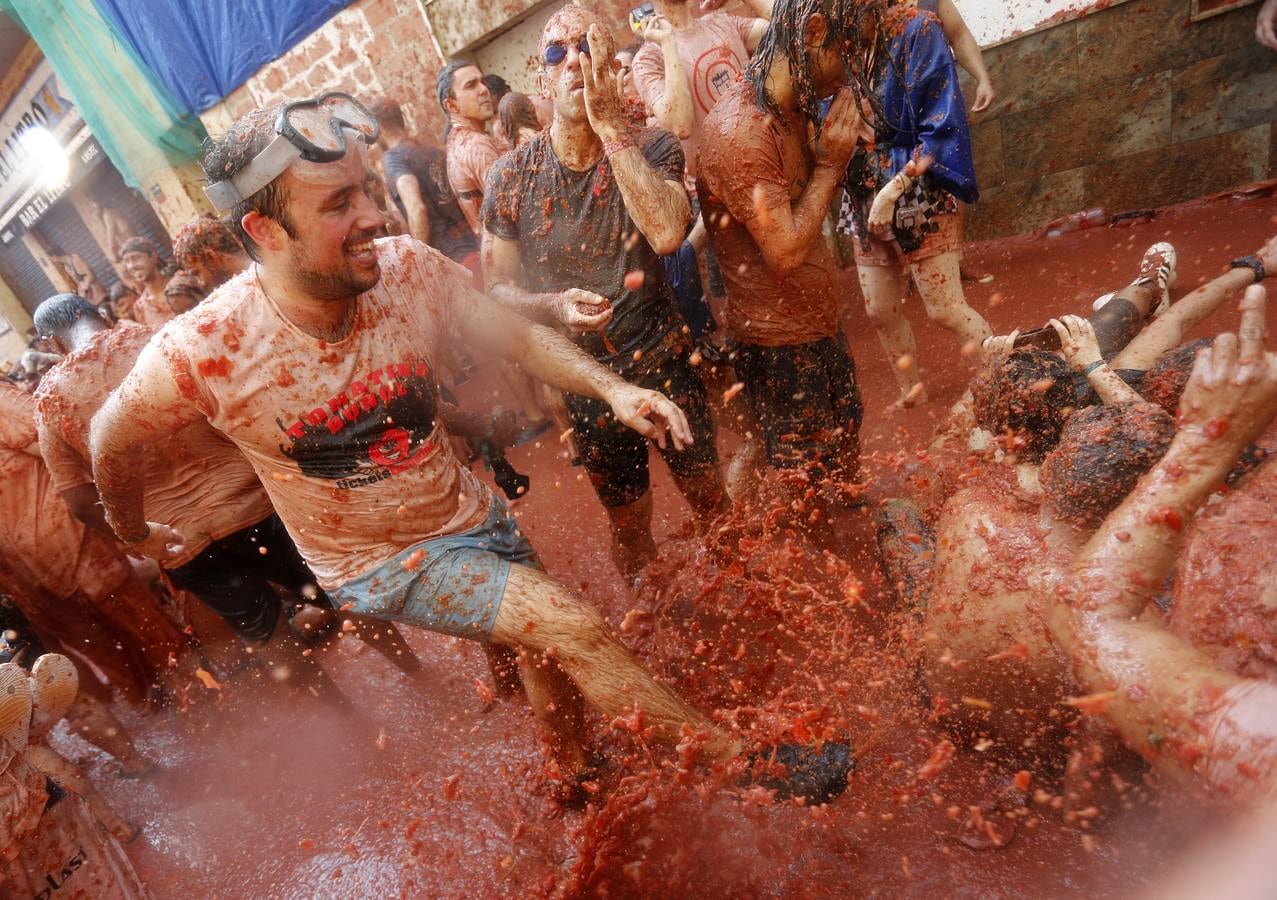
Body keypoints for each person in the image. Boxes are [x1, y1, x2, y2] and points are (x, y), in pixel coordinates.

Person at [89, 99, 849, 801]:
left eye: (365, 189)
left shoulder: (406, 270)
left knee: (544, 652)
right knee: (567, 625)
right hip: (375, 563)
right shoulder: (203, 351)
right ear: (264, 233)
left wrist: (612, 391)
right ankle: (748, 770)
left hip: (467, 514)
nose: (372, 214)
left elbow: (511, 332)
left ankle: (574, 776)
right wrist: (133, 533)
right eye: (337, 203)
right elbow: (107, 439)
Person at [33, 294, 427, 707]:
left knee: (268, 634)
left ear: (52, 344)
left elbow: (78, 502)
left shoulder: (51, 403)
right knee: (335, 593)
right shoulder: (161, 340)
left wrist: (138, 536)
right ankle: (420, 675)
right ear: (100, 314)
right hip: (255, 503)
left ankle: (352, 725)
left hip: (180, 543)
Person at [483, 7, 729, 578]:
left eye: (588, 48)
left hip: (665, 357)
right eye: (556, 52)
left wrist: (612, 129)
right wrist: (550, 305)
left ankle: (745, 600)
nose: (573, 61)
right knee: (629, 524)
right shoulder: (511, 178)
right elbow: (497, 287)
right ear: (540, 79)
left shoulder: (654, 144)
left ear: (612, 67)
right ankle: (652, 621)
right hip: (585, 381)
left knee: (711, 501)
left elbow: (669, 233)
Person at [1044, 286, 1277, 803]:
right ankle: (1150, 285)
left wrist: (1201, 438)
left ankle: (1149, 288)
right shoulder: (1240, 487)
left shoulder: (1211, 528)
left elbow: (1089, 617)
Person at [695, 0, 874, 492]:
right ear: (815, 32)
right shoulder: (744, 131)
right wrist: (831, 165)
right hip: (779, 346)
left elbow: (807, 209)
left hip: (817, 322)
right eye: (851, 49)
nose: (853, 69)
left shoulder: (793, 105)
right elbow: (786, 252)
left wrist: (831, 160)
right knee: (805, 492)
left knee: (845, 446)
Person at [839, 0, 993, 406]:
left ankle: (1001, 385)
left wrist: (893, 191)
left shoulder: (919, 26)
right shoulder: (844, 41)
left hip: (916, 185)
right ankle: (912, 391)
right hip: (862, 189)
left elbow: (940, 130)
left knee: (944, 309)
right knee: (880, 310)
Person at [0, 380, 187, 706]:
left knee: (153, 634)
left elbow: (57, 442)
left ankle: (206, 705)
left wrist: (123, 516)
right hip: (28, 581)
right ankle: (161, 724)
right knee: (112, 662)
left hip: (77, 545)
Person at [631, 0, 768, 188]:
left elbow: (789, 26)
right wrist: (668, 43)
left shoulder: (722, 22)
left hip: (768, 164)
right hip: (718, 192)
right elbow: (680, 125)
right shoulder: (648, 59)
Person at [368, 97, 479, 281]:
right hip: (474, 248)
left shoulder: (393, 158)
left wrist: (421, 263)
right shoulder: (430, 149)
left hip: (456, 263)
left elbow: (416, 208)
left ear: (378, 126)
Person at [438, 61, 505, 236]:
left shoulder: (456, 141)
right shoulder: (476, 146)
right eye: (471, 85)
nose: (484, 90)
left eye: (482, 82)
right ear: (451, 105)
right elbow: (513, 210)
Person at [172, 215, 251, 290]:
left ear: (211, 257)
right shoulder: (261, 260)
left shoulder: (245, 291)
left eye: (197, 274)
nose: (201, 284)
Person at [119, 237, 175, 328]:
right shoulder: (140, 308)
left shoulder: (178, 285)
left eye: (136, 258)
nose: (132, 266)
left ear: (153, 257)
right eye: (127, 261)